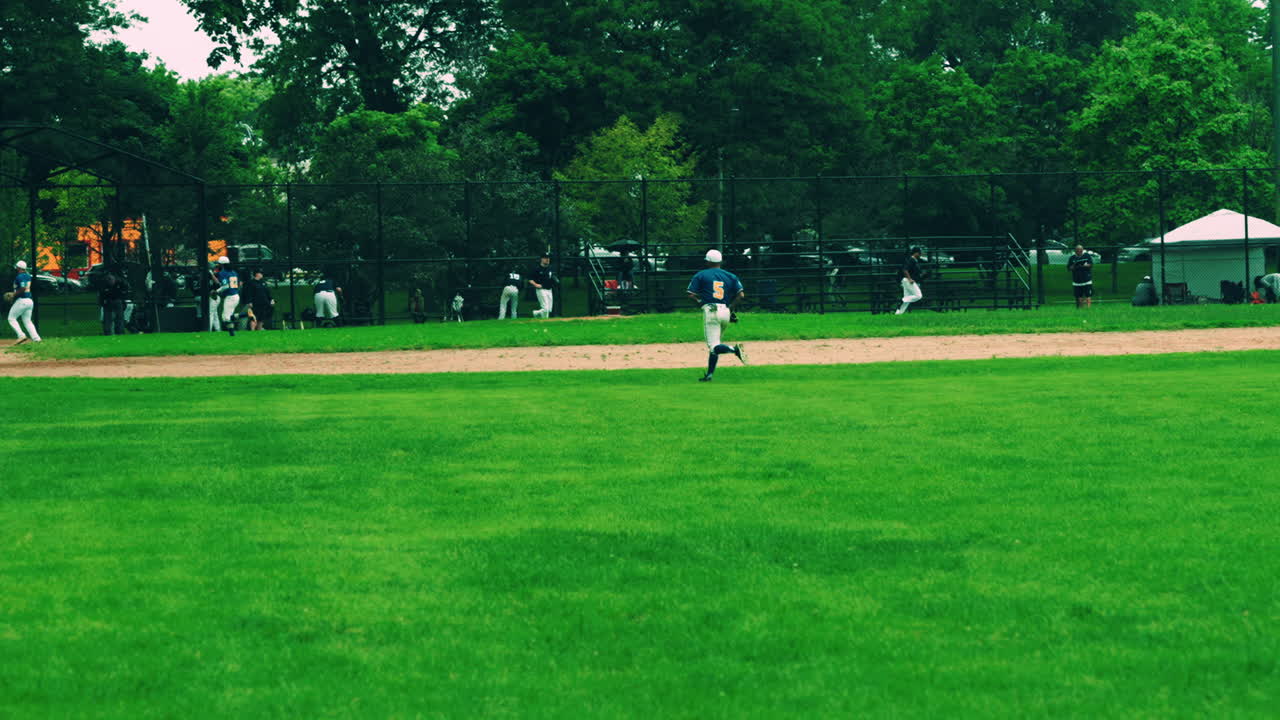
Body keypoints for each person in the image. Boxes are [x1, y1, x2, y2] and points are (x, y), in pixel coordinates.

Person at [687, 249, 748, 382]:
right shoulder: (730, 275)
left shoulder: (701, 275)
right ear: (720, 261)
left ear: (707, 261)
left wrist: (700, 301)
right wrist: (730, 309)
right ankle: (709, 375)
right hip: (725, 310)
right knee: (716, 346)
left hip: (711, 311)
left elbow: (691, 294)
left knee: (714, 346)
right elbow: (741, 295)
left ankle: (735, 350)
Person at [7, 260, 41, 344]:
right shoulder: (27, 275)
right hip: (29, 301)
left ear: (18, 268)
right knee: (27, 321)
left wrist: (13, 295)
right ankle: (37, 339)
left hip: (22, 300)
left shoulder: (20, 276)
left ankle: (21, 335)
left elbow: (22, 289)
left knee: (11, 318)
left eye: (17, 267)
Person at [215, 256, 240, 336]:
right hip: (235, 295)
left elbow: (226, 286)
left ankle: (232, 334)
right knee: (227, 316)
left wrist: (217, 291)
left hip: (230, 296)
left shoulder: (223, 273)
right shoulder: (233, 272)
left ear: (221, 264)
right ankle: (245, 314)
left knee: (226, 317)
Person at [896, 247, 924, 315]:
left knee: (908, 298)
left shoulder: (914, 260)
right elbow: (905, 270)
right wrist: (909, 279)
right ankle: (902, 300)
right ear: (916, 253)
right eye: (920, 253)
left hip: (906, 280)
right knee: (918, 296)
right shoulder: (911, 260)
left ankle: (898, 313)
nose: (920, 254)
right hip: (908, 280)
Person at [528, 254, 557, 319]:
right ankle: (545, 322)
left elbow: (552, 277)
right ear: (541, 259)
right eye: (545, 258)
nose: (547, 259)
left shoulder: (550, 268)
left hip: (549, 289)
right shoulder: (537, 268)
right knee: (545, 309)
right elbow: (530, 279)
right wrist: (535, 284)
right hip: (541, 290)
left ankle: (535, 313)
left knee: (549, 309)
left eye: (548, 258)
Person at [1067, 244, 1093, 309]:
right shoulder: (1072, 258)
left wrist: (1084, 265)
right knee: (1079, 295)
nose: (1079, 251)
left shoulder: (1087, 256)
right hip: (1077, 280)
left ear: (1082, 250)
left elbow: (1090, 265)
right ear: (1075, 251)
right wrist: (1073, 267)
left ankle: (1088, 308)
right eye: (1077, 250)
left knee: (1088, 294)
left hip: (1086, 279)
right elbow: (1069, 268)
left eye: (1080, 250)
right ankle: (1081, 307)